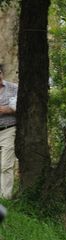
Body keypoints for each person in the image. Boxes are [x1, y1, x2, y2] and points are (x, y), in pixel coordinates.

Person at [0, 64, 17, 200]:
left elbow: (20, 105)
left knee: (6, 165)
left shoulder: (13, 88)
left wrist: (8, 110)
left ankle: (5, 198)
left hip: (8, 130)